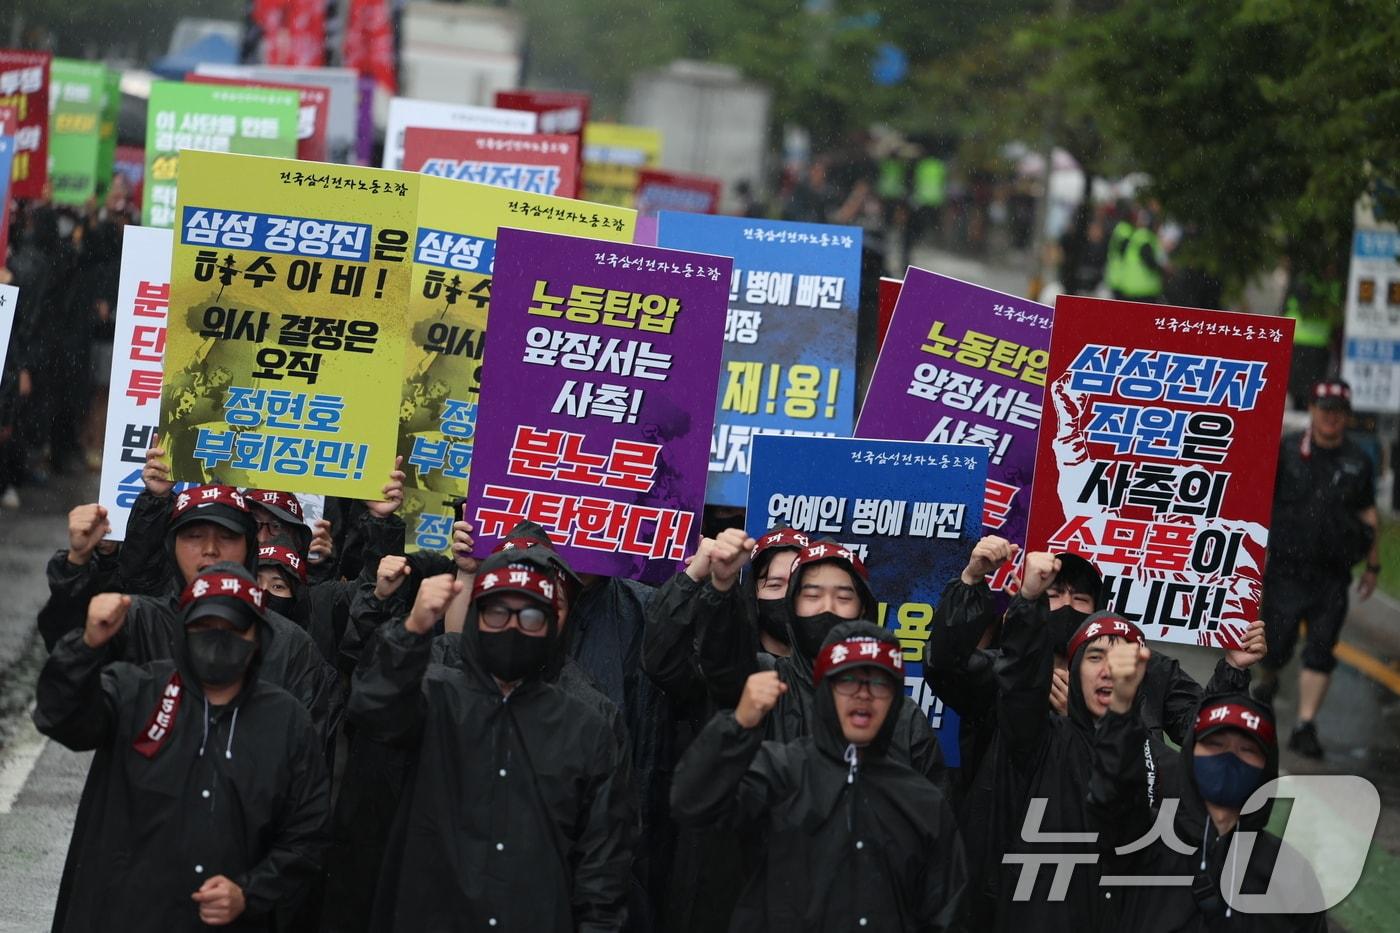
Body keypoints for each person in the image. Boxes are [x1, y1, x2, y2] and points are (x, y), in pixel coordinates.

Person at [963, 552, 1265, 932]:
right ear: (1073, 670)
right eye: (1094, 656)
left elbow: (1213, 752)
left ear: (1140, 674)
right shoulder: (1039, 740)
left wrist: (1234, 669)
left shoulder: (1162, 762)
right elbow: (1017, 683)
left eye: (1121, 658)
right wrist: (1027, 600)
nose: (1108, 669)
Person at [34, 565, 329, 931]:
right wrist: (86, 645)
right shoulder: (135, 690)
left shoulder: (288, 722)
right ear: (183, 630)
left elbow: (306, 834)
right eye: (204, 627)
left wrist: (250, 892)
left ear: (259, 638)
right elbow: (60, 717)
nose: (219, 639)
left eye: (235, 629)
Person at [348, 557, 636, 929]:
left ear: (553, 628)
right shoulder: (433, 696)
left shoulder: (587, 728)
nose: (513, 628)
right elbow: (371, 708)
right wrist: (412, 629)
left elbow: (603, 864)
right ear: (475, 620)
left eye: (530, 617)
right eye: (497, 614)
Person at [671, 622, 968, 930]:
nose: (863, 695)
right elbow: (692, 803)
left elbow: (946, 912)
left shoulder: (922, 801)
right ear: (824, 691)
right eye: (848, 680)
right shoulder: (779, 771)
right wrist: (737, 725)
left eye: (879, 683)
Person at [1089, 654, 1328, 931]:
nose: (1229, 757)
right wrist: (1119, 712)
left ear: (1267, 768)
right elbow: (1110, 795)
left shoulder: (1289, 872)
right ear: (1190, 755)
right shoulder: (1143, 840)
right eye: (1215, 744)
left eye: (1246, 749)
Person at [698, 537, 946, 788]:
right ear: (791, 607)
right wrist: (721, 587)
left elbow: (931, 814)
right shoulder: (763, 680)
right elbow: (719, 665)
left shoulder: (904, 716)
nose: (827, 608)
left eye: (844, 597)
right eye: (812, 595)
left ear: (863, 610)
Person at [1256, 379, 1379, 757]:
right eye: (1325, 410)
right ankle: (1268, 681)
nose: (1331, 419)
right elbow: (1260, 500)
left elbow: (1367, 512)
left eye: (1338, 413)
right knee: (1276, 646)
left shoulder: (1357, 461)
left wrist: (1372, 565)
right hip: (1286, 569)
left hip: (1332, 573)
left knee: (1322, 648)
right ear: (1312, 410)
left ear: (1346, 417)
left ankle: (1305, 724)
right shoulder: (1289, 451)